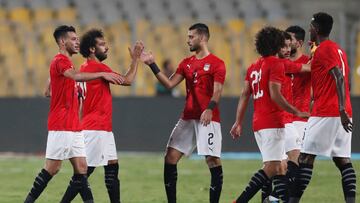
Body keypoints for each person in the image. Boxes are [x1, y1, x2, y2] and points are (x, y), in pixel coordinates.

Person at [24, 25, 123, 203]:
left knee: (82, 169)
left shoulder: (66, 63)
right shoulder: (61, 61)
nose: (77, 43)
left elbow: (48, 92)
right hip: (61, 125)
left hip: (74, 126)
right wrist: (102, 74)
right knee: (52, 169)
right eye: (73, 39)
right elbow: (75, 77)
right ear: (63, 42)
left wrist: (59, 87)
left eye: (78, 39)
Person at [141, 23, 226, 203]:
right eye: (188, 37)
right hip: (187, 117)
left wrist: (210, 108)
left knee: (212, 160)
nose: (188, 40)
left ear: (202, 38)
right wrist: (152, 64)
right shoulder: (186, 63)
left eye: (191, 37)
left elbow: (217, 91)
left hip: (207, 118)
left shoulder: (217, 63)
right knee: (170, 157)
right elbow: (169, 84)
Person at [229, 26, 309, 203]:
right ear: (276, 44)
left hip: (259, 122)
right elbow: (275, 94)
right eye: (282, 44)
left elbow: (244, 95)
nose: (286, 48)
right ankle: (241, 201)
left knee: (279, 167)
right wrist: (296, 111)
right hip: (274, 121)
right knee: (276, 166)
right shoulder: (276, 64)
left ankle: (271, 199)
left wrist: (238, 122)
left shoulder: (253, 67)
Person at [63, 29, 143, 203]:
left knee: (112, 167)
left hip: (101, 128)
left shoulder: (84, 68)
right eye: (102, 44)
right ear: (92, 49)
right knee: (82, 174)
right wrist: (135, 60)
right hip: (95, 129)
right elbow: (127, 80)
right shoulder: (98, 68)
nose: (106, 47)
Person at [289, 12, 356, 203]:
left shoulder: (325, 50)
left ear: (316, 29)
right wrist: (343, 109)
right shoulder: (337, 50)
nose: (309, 29)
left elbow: (339, 77)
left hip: (328, 111)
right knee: (342, 160)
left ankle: (292, 201)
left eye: (310, 27)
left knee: (305, 159)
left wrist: (340, 109)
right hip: (341, 111)